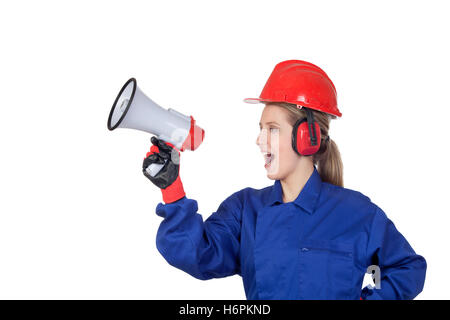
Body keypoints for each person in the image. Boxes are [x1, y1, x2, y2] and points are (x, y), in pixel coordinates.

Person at [142, 60, 427, 300]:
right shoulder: (245, 210)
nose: (259, 140)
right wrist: (172, 188)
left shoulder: (357, 213)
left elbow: (407, 268)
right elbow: (195, 254)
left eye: (273, 129)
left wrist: (370, 297)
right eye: (260, 128)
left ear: (308, 137)